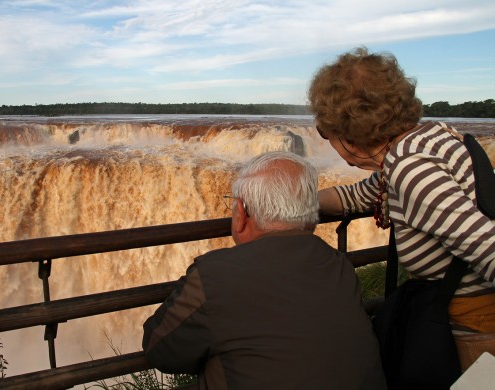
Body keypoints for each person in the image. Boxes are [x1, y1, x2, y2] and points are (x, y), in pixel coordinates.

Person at [308, 46, 495, 370]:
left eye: (326, 132)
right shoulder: (426, 141)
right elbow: (363, 195)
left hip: (477, 326)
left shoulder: (410, 169)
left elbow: (488, 250)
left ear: (349, 133)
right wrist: (297, 199)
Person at [142, 151, 387, 389]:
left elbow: (160, 349)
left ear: (242, 213)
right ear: (311, 218)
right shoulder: (337, 264)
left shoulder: (215, 275)